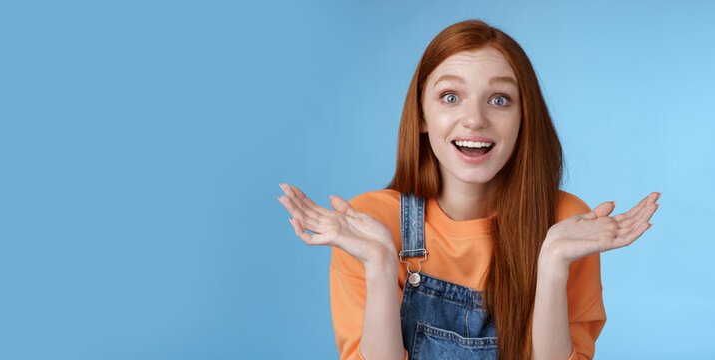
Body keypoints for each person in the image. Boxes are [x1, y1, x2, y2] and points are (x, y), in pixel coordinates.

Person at [276, 19, 660, 360]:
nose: (475, 119)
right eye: (450, 97)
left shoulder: (565, 222)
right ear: (422, 115)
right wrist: (379, 263)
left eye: (499, 100)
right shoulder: (371, 222)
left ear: (524, 119)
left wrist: (553, 263)